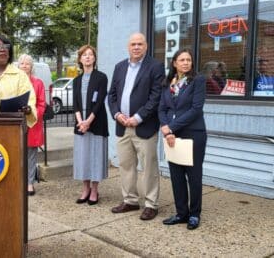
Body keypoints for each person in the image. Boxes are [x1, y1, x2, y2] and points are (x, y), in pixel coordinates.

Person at [107, 32, 165, 220]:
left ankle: (151, 204)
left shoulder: (155, 67)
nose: (136, 47)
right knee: (126, 166)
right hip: (122, 126)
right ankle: (130, 200)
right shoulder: (120, 67)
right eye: (133, 44)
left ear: (146, 46)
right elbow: (112, 95)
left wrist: (138, 117)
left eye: (140, 44)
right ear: (128, 46)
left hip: (144, 127)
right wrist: (117, 114)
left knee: (148, 167)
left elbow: (156, 97)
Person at [158, 49, 207, 230]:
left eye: (189, 60)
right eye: (182, 60)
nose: (186, 63)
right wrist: (166, 130)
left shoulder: (198, 80)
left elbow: (195, 109)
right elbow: (161, 109)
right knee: (176, 176)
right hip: (171, 136)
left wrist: (171, 127)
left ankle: (194, 214)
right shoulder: (167, 83)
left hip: (193, 134)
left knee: (194, 176)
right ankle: (181, 213)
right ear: (175, 63)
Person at [72, 45, 109, 206]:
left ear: (94, 58)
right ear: (80, 59)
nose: (87, 57)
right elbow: (75, 104)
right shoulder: (76, 80)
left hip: (97, 122)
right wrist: (80, 121)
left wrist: (88, 121)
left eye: (90, 55)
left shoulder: (101, 77)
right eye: (84, 55)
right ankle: (85, 189)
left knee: (95, 156)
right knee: (83, 157)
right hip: (81, 124)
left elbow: (100, 102)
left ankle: (94, 190)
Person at [18, 54, 46, 196]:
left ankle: (29, 183)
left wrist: (32, 115)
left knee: (30, 156)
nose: (24, 65)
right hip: (15, 124)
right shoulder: (12, 82)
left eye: (27, 63)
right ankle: (17, 182)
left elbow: (41, 104)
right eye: (22, 63)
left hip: (33, 124)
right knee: (16, 155)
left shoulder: (38, 83)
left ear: (31, 66)